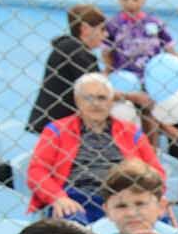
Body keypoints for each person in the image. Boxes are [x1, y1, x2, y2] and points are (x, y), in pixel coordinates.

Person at [27, 72, 165, 223]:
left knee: (160, 219)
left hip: (125, 199)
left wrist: (154, 197)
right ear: (77, 101)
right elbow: (37, 171)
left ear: (111, 101)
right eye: (88, 98)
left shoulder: (130, 131)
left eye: (102, 98)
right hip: (76, 197)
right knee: (71, 224)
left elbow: (156, 171)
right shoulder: (57, 130)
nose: (96, 104)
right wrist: (58, 197)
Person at [29, 4, 106, 134]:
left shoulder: (69, 48)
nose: (105, 35)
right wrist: (131, 96)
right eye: (102, 29)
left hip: (55, 120)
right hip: (60, 121)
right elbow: (97, 89)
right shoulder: (76, 51)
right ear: (85, 29)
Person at [105, 0, 175, 80]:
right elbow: (107, 53)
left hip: (152, 78)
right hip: (123, 78)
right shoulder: (113, 25)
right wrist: (108, 72)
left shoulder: (155, 23)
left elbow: (169, 49)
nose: (130, 4)